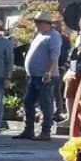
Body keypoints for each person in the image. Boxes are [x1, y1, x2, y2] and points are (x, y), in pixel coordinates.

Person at [16, 11, 63, 140]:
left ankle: (45, 131)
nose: (35, 24)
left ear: (45, 23)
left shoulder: (53, 36)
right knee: (28, 102)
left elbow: (54, 56)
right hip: (33, 75)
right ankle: (29, 130)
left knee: (45, 104)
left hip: (46, 76)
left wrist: (48, 71)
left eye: (38, 22)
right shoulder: (39, 35)